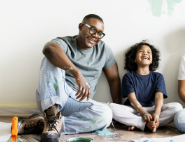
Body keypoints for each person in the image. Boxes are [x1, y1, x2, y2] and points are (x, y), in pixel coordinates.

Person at [15, 14, 121, 142]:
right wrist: (77, 74)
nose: (95, 36)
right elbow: (49, 48)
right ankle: (51, 116)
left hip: (80, 103)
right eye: (92, 29)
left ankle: (46, 125)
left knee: (106, 114)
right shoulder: (66, 43)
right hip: (55, 95)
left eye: (100, 33)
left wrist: (119, 111)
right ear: (81, 26)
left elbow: (114, 79)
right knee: (49, 59)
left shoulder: (104, 50)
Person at [109, 40, 183, 132]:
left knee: (177, 107)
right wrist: (143, 113)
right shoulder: (128, 76)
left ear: (152, 60)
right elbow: (132, 100)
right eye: (141, 51)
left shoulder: (158, 77)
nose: (145, 53)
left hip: (152, 109)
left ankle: (142, 123)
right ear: (134, 59)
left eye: (148, 52)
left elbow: (159, 97)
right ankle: (144, 123)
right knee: (111, 107)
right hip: (134, 110)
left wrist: (156, 113)